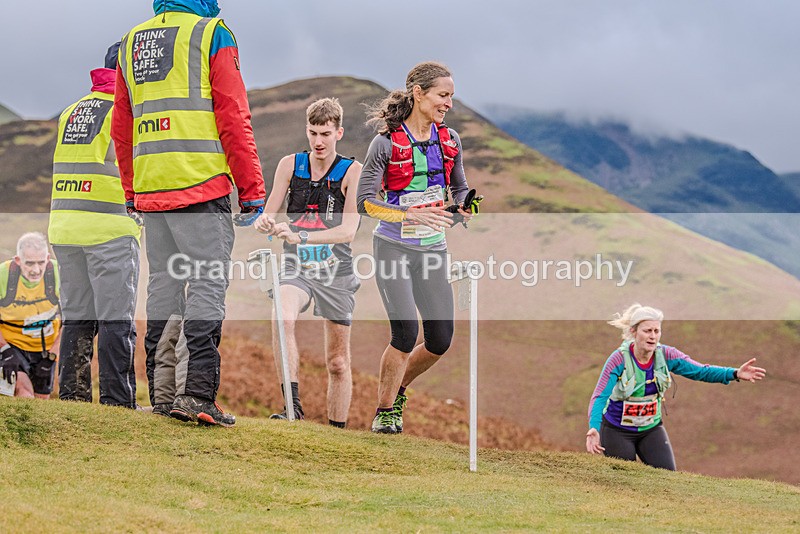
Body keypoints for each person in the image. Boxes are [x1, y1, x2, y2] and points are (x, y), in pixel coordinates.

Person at [112, 0, 266, 426]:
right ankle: (196, 394)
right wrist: (251, 189)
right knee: (206, 287)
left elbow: (121, 127)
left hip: (151, 190)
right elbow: (233, 115)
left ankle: (162, 396)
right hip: (199, 186)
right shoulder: (211, 32)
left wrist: (131, 188)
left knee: (163, 287)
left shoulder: (130, 43)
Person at [356, 62, 479, 434]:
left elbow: (459, 188)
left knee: (440, 339)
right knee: (406, 333)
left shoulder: (450, 140)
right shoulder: (385, 143)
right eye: (443, 96)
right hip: (392, 247)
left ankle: (399, 388)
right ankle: (385, 411)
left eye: (451, 97)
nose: (449, 104)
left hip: (432, 249)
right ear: (419, 93)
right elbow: (365, 203)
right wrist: (410, 214)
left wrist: (464, 205)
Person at [254, 98, 362, 427]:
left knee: (338, 362)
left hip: (336, 270)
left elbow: (348, 232)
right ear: (306, 130)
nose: (318, 141)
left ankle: (336, 432)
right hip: (295, 267)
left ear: (338, 132)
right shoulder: (289, 164)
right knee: (282, 318)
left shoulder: (352, 171)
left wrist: (301, 237)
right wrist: (264, 223)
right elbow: (269, 212)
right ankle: (291, 407)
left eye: (325, 134)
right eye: (313, 133)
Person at [48, 42, 142, 408]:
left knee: (76, 317)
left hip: (64, 226)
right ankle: (118, 404)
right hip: (108, 228)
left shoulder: (71, 111)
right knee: (116, 320)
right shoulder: (126, 110)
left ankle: (73, 398)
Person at [586, 303, 767, 470]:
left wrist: (734, 373)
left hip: (651, 429)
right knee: (626, 480)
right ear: (633, 332)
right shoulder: (618, 359)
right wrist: (594, 427)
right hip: (617, 430)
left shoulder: (667, 355)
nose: (653, 336)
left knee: (667, 477)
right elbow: (600, 396)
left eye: (657, 331)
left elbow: (700, 370)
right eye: (647, 330)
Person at [0, 233, 61, 399]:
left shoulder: (57, 273)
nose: (36, 270)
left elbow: (74, 318)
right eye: (29, 263)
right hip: (13, 347)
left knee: (41, 402)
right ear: (18, 260)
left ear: (48, 258)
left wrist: (52, 356)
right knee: (25, 393)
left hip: (45, 350)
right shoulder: (4, 275)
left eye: (41, 262)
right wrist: (5, 350)